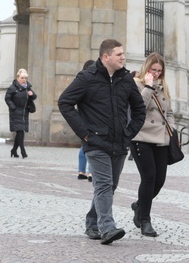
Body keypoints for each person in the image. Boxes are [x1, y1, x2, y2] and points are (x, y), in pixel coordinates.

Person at [58, 39, 146, 245]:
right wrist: (85, 133)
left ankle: (92, 221)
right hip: (96, 143)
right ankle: (107, 227)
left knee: (109, 186)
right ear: (105, 57)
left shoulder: (126, 79)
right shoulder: (87, 77)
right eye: (119, 54)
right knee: (104, 184)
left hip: (119, 142)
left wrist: (129, 132)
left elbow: (139, 108)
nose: (123, 57)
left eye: (123, 53)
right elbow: (65, 102)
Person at [130, 53, 173, 237]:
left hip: (161, 139)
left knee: (160, 180)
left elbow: (169, 111)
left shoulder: (164, 87)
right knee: (149, 177)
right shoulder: (136, 84)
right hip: (142, 136)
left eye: (159, 71)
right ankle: (144, 220)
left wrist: (171, 127)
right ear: (146, 69)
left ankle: (139, 205)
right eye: (153, 70)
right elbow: (138, 107)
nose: (156, 74)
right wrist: (148, 86)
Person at [5, 68, 37, 158]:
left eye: (25, 78)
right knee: (20, 132)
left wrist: (32, 95)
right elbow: (7, 98)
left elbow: (34, 96)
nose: (24, 80)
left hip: (24, 112)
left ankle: (14, 150)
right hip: (15, 112)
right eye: (22, 78)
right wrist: (13, 107)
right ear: (18, 78)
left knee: (20, 131)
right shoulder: (13, 87)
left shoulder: (28, 87)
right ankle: (23, 151)